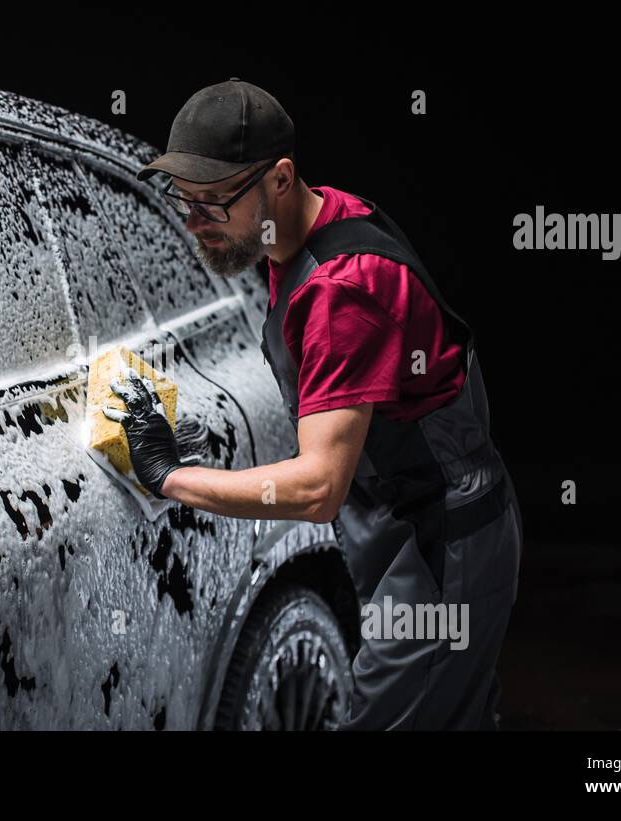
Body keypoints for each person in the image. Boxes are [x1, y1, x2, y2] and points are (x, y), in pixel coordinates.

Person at [104, 78, 523, 730]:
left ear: (280, 177)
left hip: (442, 550)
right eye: (184, 202)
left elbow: (319, 488)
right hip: (413, 530)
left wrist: (171, 476)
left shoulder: (341, 288)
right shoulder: (302, 229)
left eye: (213, 204)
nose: (193, 225)